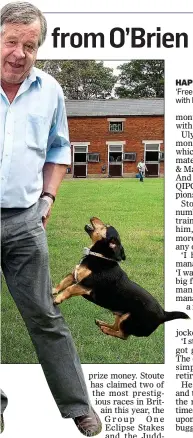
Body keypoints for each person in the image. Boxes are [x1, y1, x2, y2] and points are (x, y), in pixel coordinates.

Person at [0, 3, 102, 436]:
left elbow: (60, 148)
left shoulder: (51, 91)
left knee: (45, 314)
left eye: (30, 44)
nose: (19, 53)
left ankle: (78, 406)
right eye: (11, 41)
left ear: (38, 47)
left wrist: (48, 198)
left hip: (25, 221)